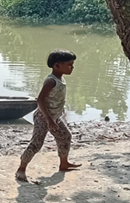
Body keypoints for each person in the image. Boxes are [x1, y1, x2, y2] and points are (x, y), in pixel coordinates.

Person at [15, 50, 81, 182]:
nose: (72, 67)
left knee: (65, 136)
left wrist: (59, 114)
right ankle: (21, 169)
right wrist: (49, 119)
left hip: (54, 117)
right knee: (37, 143)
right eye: (69, 64)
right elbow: (40, 100)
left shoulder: (60, 78)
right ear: (57, 65)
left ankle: (64, 163)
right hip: (43, 117)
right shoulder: (51, 81)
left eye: (72, 64)